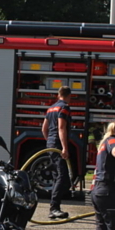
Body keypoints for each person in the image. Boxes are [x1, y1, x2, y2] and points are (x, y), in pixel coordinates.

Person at [41, 86, 72, 220]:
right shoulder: (64, 107)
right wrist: (64, 147)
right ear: (69, 95)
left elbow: (44, 128)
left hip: (51, 144)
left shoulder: (51, 108)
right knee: (62, 176)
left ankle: (54, 207)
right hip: (58, 145)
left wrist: (49, 141)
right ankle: (54, 208)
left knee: (56, 175)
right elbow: (61, 127)